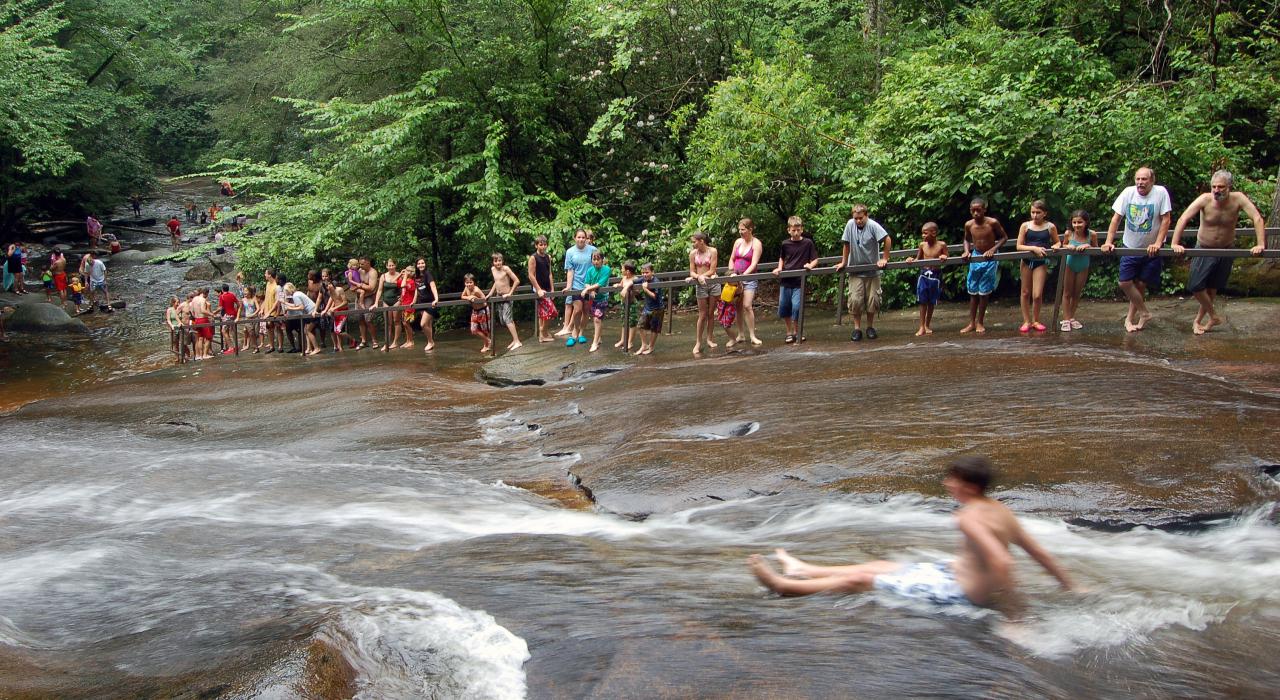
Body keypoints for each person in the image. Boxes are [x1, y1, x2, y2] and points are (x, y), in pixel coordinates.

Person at [747, 456, 1077, 618]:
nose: (948, 484)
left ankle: (786, 587)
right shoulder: (1001, 510)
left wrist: (1012, 613)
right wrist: (1069, 585)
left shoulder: (968, 517)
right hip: (951, 573)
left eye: (954, 480)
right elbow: (1040, 554)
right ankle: (803, 569)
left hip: (960, 594)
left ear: (971, 487)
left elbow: (1002, 561)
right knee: (881, 565)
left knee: (862, 579)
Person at [1170, 169, 1267, 335]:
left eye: (1220, 187)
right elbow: (1183, 218)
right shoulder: (1204, 199)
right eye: (1213, 186)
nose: (1216, 190)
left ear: (1229, 187)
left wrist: (1260, 244)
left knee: (1212, 288)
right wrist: (1174, 243)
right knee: (1195, 285)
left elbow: (1257, 218)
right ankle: (1214, 316)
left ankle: (1199, 321)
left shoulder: (1238, 199)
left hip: (1226, 249)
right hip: (1204, 248)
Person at [1102, 167, 1172, 332]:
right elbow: (1116, 218)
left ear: (1151, 181)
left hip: (1151, 248)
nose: (1140, 182)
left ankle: (1129, 320)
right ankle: (1144, 312)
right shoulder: (1128, 193)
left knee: (1140, 284)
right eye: (1138, 179)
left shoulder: (1160, 192)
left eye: (1144, 179)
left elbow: (1166, 219)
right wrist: (1108, 241)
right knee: (1125, 282)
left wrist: (1158, 243)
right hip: (1131, 246)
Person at [836, 205, 892, 340]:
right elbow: (846, 244)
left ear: (866, 216)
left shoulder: (872, 226)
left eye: (861, 218)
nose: (858, 221)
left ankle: (870, 327)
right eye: (856, 218)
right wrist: (844, 262)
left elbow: (887, 239)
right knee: (855, 300)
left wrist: (884, 258)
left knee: (873, 300)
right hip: (855, 270)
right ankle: (856, 329)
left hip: (872, 271)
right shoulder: (850, 225)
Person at [960, 198, 1009, 334]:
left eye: (978, 210)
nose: (976, 213)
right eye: (973, 210)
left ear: (984, 210)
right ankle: (971, 323)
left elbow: (1004, 237)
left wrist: (993, 249)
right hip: (976, 256)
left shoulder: (992, 222)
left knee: (984, 292)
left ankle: (980, 322)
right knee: (973, 291)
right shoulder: (969, 224)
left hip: (990, 258)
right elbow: (966, 239)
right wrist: (966, 251)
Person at [1015, 200, 1060, 333]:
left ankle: (1035, 320)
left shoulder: (1050, 227)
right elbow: (1019, 246)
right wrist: (1034, 248)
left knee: (1037, 294)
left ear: (1044, 213)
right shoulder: (1025, 226)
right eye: (1033, 212)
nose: (1035, 215)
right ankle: (1026, 321)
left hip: (1040, 262)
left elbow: (1057, 242)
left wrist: (1056, 246)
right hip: (1026, 260)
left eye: (1038, 212)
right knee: (1025, 292)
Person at [772, 216, 819, 344]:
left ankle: (797, 332)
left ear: (802, 229)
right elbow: (782, 258)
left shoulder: (807, 243)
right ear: (789, 230)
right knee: (784, 306)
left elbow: (815, 259)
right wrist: (779, 268)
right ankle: (789, 332)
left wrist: (810, 265)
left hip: (799, 281)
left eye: (798, 230)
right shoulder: (785, 244)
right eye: (793, 230)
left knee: (797, 307)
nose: (796, 233)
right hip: (786, 280)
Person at [905, 222, 948, 336]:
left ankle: (927, 325)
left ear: (933, 233)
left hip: (936, 275)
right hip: (924, 275)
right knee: (923, 301)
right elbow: (917, 259)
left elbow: (946, 256)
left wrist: (944, 257)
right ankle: (921, 326)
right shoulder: (922, 245)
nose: (923, 236)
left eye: (925, 233)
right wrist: (911, 260)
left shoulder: (941, 245)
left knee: (931, 301)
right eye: (922, 233)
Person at [1060, 210, 1098, 331]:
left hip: (1083, 265)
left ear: (1086, 222)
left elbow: (1096, 248)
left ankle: (1071, 317)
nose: (1077, 225)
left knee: (1076, 293)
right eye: (1074, 222)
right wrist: (1068, 246)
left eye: (1080, 222)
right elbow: (1063, 245)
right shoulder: (1068, 234)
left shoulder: (1091, 234)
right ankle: (1066, 319)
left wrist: (1087, 246)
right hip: (1070, 264)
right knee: (1067, 292)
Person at [559, 229, 597, 346]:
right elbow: (570, 271)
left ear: (586, 239)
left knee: (586, 310)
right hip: (576, 286)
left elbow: (597, 267)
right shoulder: (570, 252)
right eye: (579, 237)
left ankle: (581, 333)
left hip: (589, 285)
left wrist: (594, 286)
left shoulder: (593, 250)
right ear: (574, 238)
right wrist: (568, 286)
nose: (581, 239)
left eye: (583, 237)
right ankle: (574, 332)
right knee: (577, 310)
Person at [685, 231, 721, 356]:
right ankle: (698, 342)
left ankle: (710, 339)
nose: (693, 244)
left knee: (711, 312)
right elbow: (692, 271)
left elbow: (712, 270)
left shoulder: (713, 251)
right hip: (700, 285)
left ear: (701, 241)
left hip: (712, 282)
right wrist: (698, 277)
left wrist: (701, 276)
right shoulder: (692, 254)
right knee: (702, 314)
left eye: (694, 242)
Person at [730, 218, 764, 346]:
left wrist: (744, 275)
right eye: (739, 229)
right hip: (736, 278)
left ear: (750, 229)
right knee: (738, 307)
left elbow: (754, 263)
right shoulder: (738, 242)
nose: (740, 232)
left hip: (749, 278)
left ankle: (752, 335)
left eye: (743, 230)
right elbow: (732, 258)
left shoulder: (756, 244)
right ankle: (741, 334)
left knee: (747, 306)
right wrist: (731, 272)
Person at [488, 252, 522, 350]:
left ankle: (517, 341)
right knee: (503, 321)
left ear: (502, 261)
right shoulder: (493, 269)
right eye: (496, 261)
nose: (498, 263)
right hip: (499, 297)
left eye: (499, 260)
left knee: (507, 319)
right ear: (493, 262)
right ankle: (514, 339)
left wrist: (510, 293)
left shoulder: (506, 269)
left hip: (507, 297)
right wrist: (490, 293)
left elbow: (517, 280)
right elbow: (496, 282)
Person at [527, 236, 558, 343]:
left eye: (544, 244)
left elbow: (549, 273)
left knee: (543, 313)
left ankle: (542, 335)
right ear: (536, 245)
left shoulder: (548, 257)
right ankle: (542, 330)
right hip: (538, 288)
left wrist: (552, 289)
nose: (543, 246)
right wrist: (539, 289)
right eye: (541, 244)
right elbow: (531, 275)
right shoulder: (533, 258)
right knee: (552, 311)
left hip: (547, 287)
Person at [581, 250, 613, 352]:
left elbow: (601, 283)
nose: (596, 261)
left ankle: (595, 343)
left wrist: (588, 289)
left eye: (598, 259)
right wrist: (590, 290)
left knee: (597, 319)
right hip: (593, 299)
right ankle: (599, 338)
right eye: (594, 259)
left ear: (602, 260)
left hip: (602, 298)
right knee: (596, 319)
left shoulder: (607, 269)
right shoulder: (590, 270)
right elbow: (586, 282)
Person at [384, 266, 417, 351]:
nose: (405, 272)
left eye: (408, 271)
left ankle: (411, 341)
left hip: (409, 305)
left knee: (406, 323)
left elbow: (403, 285)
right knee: (404, 323)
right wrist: (400, 274)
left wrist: (405, 275)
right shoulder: (404, 280)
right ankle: (408, 340)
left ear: (412, 273)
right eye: (405, 271)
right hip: (403, 304)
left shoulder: (411, 282)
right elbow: (393, 281)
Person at [636, 262, 664, 356]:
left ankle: (651, 347)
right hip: (647, 308)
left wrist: (646, 289)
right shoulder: (643, 279)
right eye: (643, 273)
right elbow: (633, 281)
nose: (644, 275)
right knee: (640, 326)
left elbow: (654, 296)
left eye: (647, 272)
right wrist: (622, 283)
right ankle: (644, 344)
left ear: (652, 272)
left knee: (654, 329)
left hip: (657, 309)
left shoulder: (656, 282)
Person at [413, 258, 440, 352]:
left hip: (430, 302)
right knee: (428, 324)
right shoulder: (416, 276)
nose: (421, 265)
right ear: (416, 265)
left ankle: (430, 341)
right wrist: (414, 301)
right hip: (421, 303)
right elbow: (417, 289)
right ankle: (430, 342)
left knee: (423, 324)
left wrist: (436, 298)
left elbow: (433, 286)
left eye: (423, 263)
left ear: (425, 264)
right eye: (419, 263)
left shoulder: (427, 274)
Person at [461, 272, 492, 353]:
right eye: (467, 283)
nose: (469, 284)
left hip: (483, 310)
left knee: (485, 329)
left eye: (470, 282)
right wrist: (469, 297)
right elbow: (462, 296)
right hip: (475, 311)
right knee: (473, 329)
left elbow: (484, 299)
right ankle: (488, 341)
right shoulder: (466, 289)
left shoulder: (476, 290)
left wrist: (475, 297)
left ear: (474, 282)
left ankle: (486, 346)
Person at [614, 260, 639, 351]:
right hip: (624, 302)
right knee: (624, 321)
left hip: (632, 303)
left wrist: (630, 289)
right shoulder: (624, 278)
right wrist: (618, 285)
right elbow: (621, 284)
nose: (621, 270)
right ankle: (622, 339)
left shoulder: (635, 279)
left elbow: (638, 291)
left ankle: (630, 341)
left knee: (632, 322)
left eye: (622, 269)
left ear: (628, 271)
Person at [356, 257, 379, 349]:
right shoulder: (359, 271)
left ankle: (374, 340)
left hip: (368, 297)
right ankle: (364, 341)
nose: (360, 266)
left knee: (368, 319)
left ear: (368, 263)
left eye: (362, 264)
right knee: (360, 319)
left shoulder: (373, 272)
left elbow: (372, 287)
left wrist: (361, 285)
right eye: (359, 264)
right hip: (359, 297)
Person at [189, 288, 213, 360]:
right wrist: (211, 314)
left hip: (196, 320)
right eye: (207, 295)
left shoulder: (194, 299)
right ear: (205, 293)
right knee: (209, 338)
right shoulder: (203, 299)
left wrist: (195, 316)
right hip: (203, 319)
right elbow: (203, 310)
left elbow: (191, 310)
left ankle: (200, 356)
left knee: (200, 338)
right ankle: (205, 354)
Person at [217, 283, 241, 354]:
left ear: (222, 289)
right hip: (233, 314)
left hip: (227, 315)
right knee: (233, 330)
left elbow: (221, 307)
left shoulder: (222, 296)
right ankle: (236, 346)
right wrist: (236, 312)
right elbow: (238, 304)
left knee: (223, 331)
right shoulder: (232, 295)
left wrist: (214, 312)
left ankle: (231, 347)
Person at [240, 286, 260, 352]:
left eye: (246, 291)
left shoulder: (254, 299)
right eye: (244, 291)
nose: (244, 292)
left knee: (256, 333)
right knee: (251, 333)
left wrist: (253, 314)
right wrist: (237, 317)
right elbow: (240, 309)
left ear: (250, 292)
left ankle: (255, 346)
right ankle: (255, 348)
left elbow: (258, 308)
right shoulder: (243, 300)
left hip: (255, 318)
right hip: (247, 318)